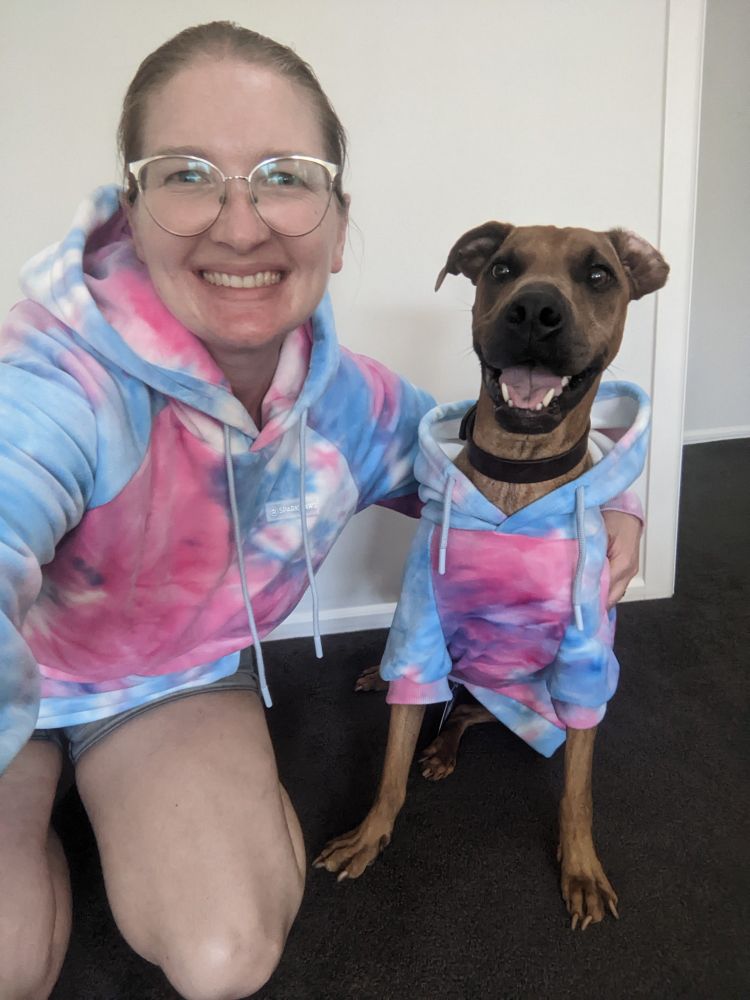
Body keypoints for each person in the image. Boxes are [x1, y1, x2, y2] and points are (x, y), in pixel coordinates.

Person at [0, 21, 643, 1000]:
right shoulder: (55, 382)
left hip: (168, 684)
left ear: (339, 226)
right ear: (130, 210)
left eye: (284, 175)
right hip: (24, 681)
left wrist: (617, 502)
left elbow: (473, 468)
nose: (240, 222)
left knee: (227, 957)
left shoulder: (353, 404)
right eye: (186, 172)